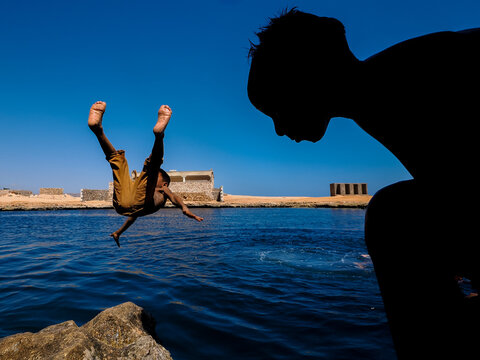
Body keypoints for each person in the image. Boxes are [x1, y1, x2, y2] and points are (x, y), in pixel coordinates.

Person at [247, 8, 480, 358]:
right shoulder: (385, 89)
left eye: (277, 108)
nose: (280, 129)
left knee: (393, 214)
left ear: (304, 77)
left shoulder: (408, 82)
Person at [88, 101, 203, 247]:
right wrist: (119, 232)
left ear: (164, 183)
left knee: (136, 164)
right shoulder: (146, 193)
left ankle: (157, 136)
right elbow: (132, 217)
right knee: (117, 161)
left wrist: (184, 208)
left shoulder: (162, 189)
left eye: (157, 176)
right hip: (124, 205)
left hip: (122, 206)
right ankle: (98, 130)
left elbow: (174, 197)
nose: (154, 177)